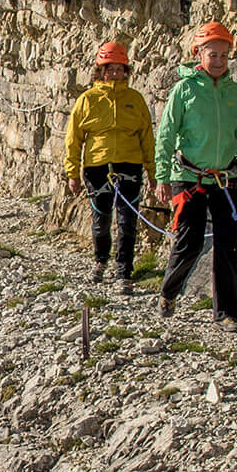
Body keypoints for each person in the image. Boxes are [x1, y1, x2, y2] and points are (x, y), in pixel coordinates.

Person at [154, 20, 237, 329]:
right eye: (213, 55)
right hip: (189, 177)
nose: (219, 61)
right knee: (190, 241)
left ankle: (227, 313)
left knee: (228, 244)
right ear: (199, 53)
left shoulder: (234, 91)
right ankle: (169, 293)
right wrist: (162, 177)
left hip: (225, 178)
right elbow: (166, 135)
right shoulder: (184, 90)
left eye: (224, 55)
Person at [63, 40, 155, 288]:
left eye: (118, 68)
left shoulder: (135, 100)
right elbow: (74, 138)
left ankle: (124, 270)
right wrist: (72, 173)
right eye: (109, 68)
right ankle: (101, 260)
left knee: (127, 221)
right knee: (101, 219)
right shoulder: (87, 99)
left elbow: (147, 136)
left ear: (126, 71)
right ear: (100, 71)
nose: (114, 73)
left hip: (130, 165)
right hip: (97, 166)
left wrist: (153, 171)